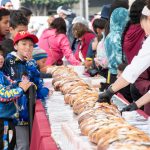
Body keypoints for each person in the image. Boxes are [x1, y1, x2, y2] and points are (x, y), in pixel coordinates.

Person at [97, 3, 150, 115]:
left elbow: (133, 70)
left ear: (148, 18)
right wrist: (136, 104)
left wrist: (110, 91)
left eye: (142, 23)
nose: (142, 27)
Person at [3, 31, 49, 149]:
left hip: (28, 111)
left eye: (31, 45)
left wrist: (31, 65)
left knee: (27, 144)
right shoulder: (9, 61)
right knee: (22, 145)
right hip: (15, 115)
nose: (28, 47)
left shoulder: (29, 62)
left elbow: (37, 82)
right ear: (15, 46)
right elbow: (19, 84)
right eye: (24, 44)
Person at [0, 45, 32, 150]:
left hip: (8, 119)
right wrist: (21, 89)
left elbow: (11, 83)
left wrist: (19, 84)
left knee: (10, 144)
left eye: (1, 54)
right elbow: (3, 95)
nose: (0, 58)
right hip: (2, 120)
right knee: (6, 146)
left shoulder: (1, 74)